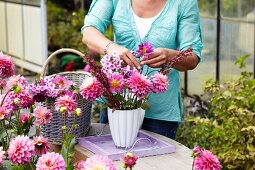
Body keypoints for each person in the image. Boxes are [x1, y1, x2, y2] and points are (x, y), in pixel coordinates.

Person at [81, 0, 203, 139]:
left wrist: (170, 56)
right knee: (114, 158)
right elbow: (89, 31)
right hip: (116, 103)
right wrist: (111, 48)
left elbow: (192, 57)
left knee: (158, 160)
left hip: (159, 112)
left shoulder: (184, 3)